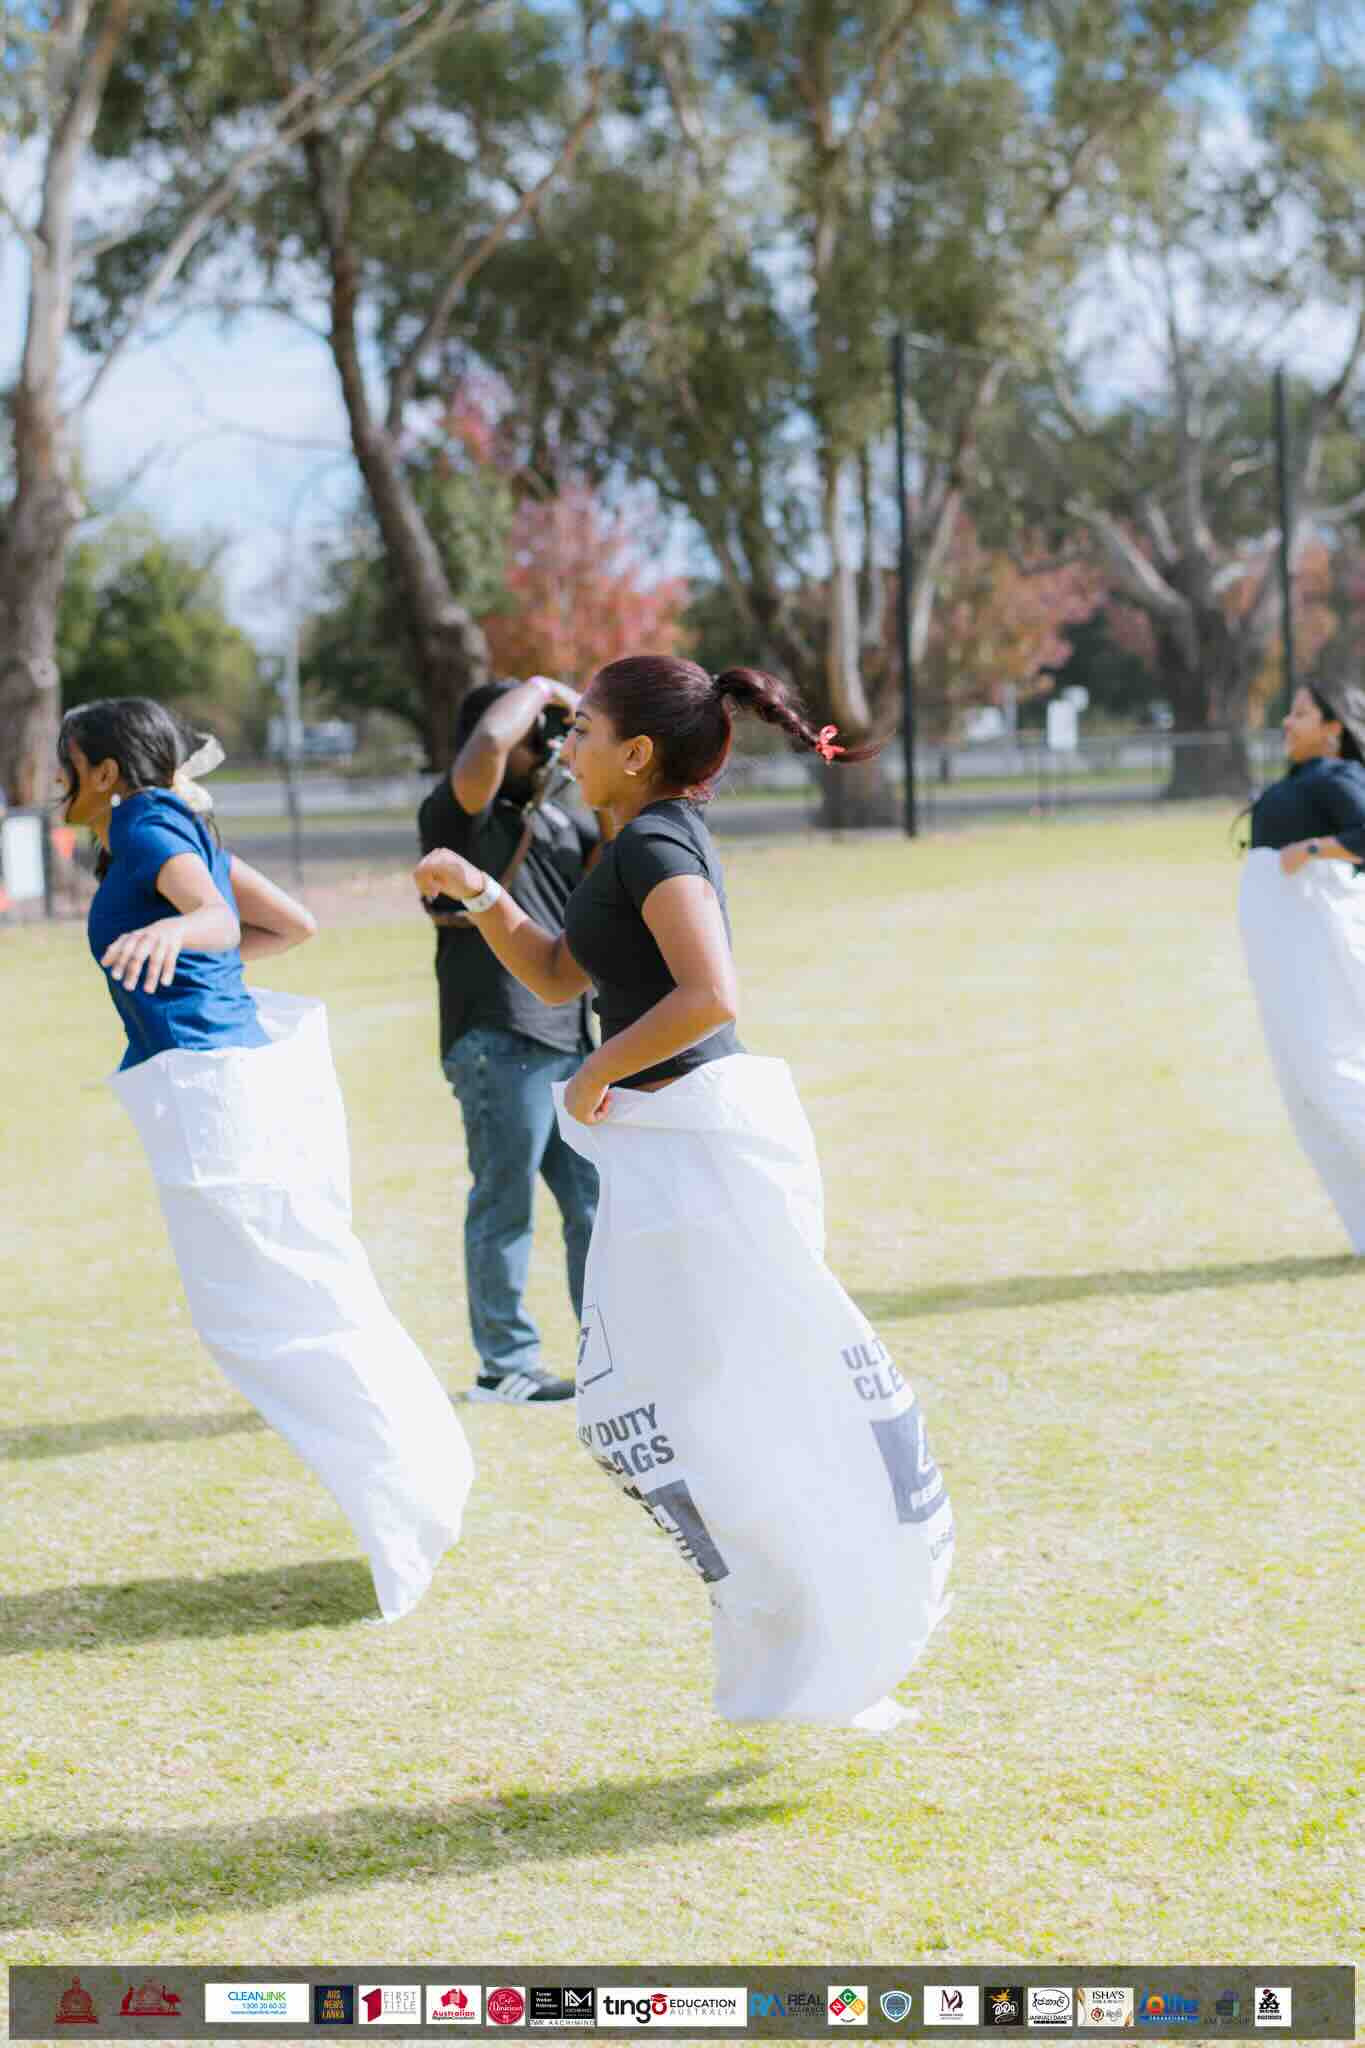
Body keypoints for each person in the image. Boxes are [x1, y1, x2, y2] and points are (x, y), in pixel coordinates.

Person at [415, 655, 954, 1728]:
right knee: (689, 1404)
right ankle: (814, 1630)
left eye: (583, 731)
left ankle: (849, 1626)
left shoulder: (657, 840)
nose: (564, 747)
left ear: (638, 752)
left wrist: (594, 1069)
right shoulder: (626, 843)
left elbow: (710, 995)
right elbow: (564, 975)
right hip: (673, 1145)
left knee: (719, 1398)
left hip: (706, 1137)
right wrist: (480, 892)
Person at [60, 697, 474, 1621]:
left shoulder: (145, 819)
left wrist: (178, 934)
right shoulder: (178, 822)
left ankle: (411, 1507)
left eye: (65, 758)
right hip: (232, 1080)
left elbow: (210, 914)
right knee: (300, 1295)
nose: (56, 775)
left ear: (100, 770)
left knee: (274, 1316)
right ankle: (420, 1491)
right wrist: (196, 957)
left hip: (214, 1095)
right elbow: (290, 925)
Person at [418, 676, 600, 1404]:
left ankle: (611, 1350)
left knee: (593, 1204)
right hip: (496, 1030)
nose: (551, 745)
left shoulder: (559, 816)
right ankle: (505, 1366)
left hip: (569, 1030)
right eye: (542, 733)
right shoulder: (460, 811)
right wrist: (544, 686)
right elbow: (492, 742)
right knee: (505, 1201)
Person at [1240, 680, 1365, 1250]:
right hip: (1284, 947)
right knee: (1305, 1093)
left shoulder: (1338, 776)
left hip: (1312, 940)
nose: (1287, 723)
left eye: (1300, 713)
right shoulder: (1302, 780)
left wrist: (1312, 850)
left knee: (1330, 1074)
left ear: (1334, 728)